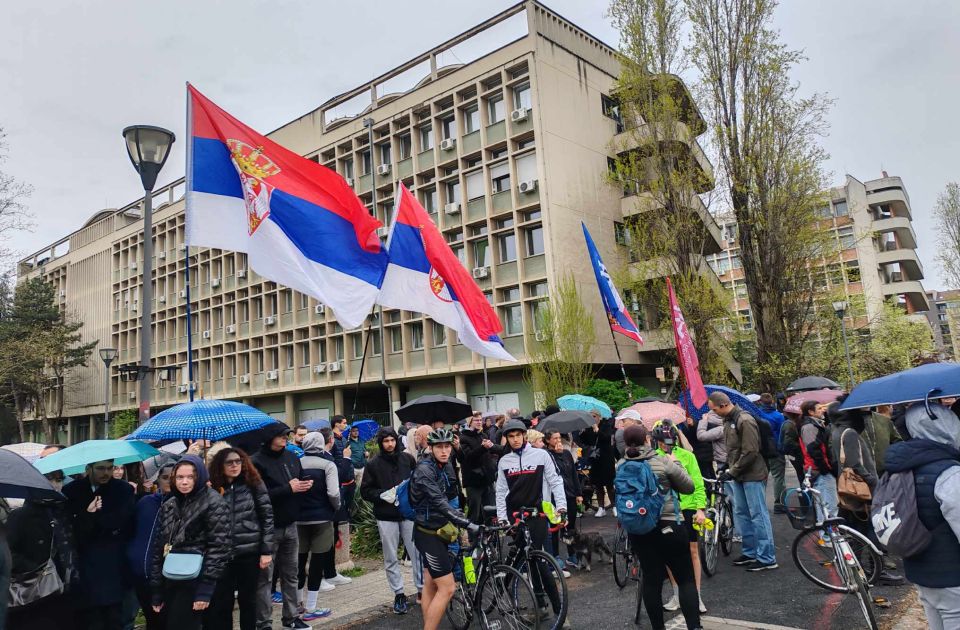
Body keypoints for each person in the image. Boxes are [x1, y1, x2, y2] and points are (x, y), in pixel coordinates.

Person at [617, 424, 701, 630]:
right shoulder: (662, 460)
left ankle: (657, 627)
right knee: (685, 579)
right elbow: (688, 487)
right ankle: (694, 627)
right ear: (647, 439)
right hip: (669, 524)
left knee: (652, 580)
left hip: (640, 529)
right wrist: (677, 464)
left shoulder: (620, 465)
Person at [883, 402, 960, 629]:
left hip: (920, 568)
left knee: (935, 619)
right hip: (953, 573)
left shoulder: (901, 467)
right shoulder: (950, 473)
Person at [496, 419, 568, 625]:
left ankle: (559, 610)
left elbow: (555, 481)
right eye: (511, 436)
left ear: (525, 436)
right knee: (530, 563)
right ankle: (542, 607)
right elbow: (501, 492)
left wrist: (561, 507)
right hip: (515, 518)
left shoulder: (541, 455)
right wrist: (502, 518)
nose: (515, 439)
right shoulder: (504, 461)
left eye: (518, 435)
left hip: (537, 516)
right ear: (507, 439)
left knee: (539, 561)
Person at [149, 456, 230, 630]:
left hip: (197, 577)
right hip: (171, 575)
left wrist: (206, 588)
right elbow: (159, 546)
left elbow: (219, 547)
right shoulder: (170, 504)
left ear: (199, 477)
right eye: (179, 477)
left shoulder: (213, 502)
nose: (184, 482)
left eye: (190, 477)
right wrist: (157, 590)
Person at [409, 428, 478, 630]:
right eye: (439, 446)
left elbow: (451, 494)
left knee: (430, 582)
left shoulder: (443, 465)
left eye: (447, 446)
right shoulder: (424, 470)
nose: (444, 450)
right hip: (428, 534)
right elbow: (439, 501)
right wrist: (467, 523)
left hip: (440, 530)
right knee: (447, 588)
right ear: (430, 448)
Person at [205, 447, 275, 630]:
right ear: (220, 465)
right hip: (222, 554)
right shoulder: (212, 487)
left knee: (248, 601)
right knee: (222, 602)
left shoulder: (253, 483)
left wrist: (266, 550)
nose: (235, 465)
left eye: (238, 461)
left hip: (249, 551)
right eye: (230, 462)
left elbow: (266, 516)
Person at [63, 458, 137, 630]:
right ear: (89, 468)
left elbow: (124, 522)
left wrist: (98, 517)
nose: (106, 473)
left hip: (113, 563)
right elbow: (70, 528)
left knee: (113, 618)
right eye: (101, 468)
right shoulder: (71, 490)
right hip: (84, 563)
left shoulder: (123, 490)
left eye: (110, 468)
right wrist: (88, 515)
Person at [707, 392, 777, 571]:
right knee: (742, 513)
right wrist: (727, 468)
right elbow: (735, 451)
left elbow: (751, 451)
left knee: (758, 514)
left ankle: (767, 557)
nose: (713, 412)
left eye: (714, 409)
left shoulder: (744, 420)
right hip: (738, 474)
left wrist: (732, 470)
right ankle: (751, 552)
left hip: (753, 474)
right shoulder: (728, 420)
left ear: (723, 405)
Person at [252, 423, 313, 630]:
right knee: (265, 579)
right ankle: (263, 624)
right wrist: (288, 488)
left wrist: (304, 484)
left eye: (287, 434)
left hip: (291, 524)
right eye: (281, 435)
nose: (285, 438)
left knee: (291, 574)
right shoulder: (256, 461)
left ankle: (291, 618)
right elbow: (257, 497)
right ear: (270, 438)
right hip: (268, 529)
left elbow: (299, 477)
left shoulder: (292, 456)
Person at [360, 427, 423, 614]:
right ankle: (399, 594)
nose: (390, 444)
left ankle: (421, 589)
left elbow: (418, 480)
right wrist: (382, 495)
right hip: (386, 515)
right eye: (386, 441)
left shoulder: (407, 459)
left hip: (408, 513)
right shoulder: (373, 464)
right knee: (391, 556)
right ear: (381, 442)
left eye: (392, 440)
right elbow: (365, 491)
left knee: (417, 553)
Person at [653, 421, 708, 614]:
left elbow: (699, 484)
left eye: (668, 440)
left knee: (693, 551)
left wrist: (700, 509)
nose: (664, 444)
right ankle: (677, 594)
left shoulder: (687, 456)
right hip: (667, 511)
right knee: (670, 553)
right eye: (661, 441)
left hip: (689, 508)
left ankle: (696, 595)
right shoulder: (653, 458)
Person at [7, 485, 78, 629]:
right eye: (50, 478)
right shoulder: (21, 516)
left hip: (66, 586)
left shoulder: (64, 510)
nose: (55, 484)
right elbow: (9, 553)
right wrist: (35, 568)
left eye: (59, 479)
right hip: (35, 591)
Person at [295, 431, 341, 621]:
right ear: (322, 444)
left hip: (298, 520)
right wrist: (335, 507)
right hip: (322, 519)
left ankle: (297, 605)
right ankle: (312, 607)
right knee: (317, 562)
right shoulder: (328, 465)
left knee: (298, 562)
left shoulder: (296, 464)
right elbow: (333, 493)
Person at [127, 463, 175, 630]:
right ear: (158, 480)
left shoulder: (185, 504)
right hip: (141, 573)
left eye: (173, 477)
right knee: (152, 620)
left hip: (168, 577)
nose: (169, 481)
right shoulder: (145, 502)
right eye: (165, 477)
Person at [544, 428, 582, 567]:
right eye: (555, 438)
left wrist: (578, 493)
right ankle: (556, 556)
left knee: (570, 526)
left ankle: (572, 555)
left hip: (570, 494)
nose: (558, 441)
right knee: (555, 527)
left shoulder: (566, 453)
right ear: (548, 440)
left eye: (559, 438)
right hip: (555, 497)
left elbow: (573, 473)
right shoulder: (546, 455)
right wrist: (556, 455)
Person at [798, 400, 838, 523]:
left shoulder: (816, 424)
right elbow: (813, 450)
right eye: (819, 408)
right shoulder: (809, 427)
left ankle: (826, 535)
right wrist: (825, 468)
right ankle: (828, 536)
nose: (822, 410)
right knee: (828, 505)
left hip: (818, 469)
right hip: (818, 470)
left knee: (824, 504)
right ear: (811, 412)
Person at [458, 413, 498, 529]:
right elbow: (468, 457)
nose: (479, 422)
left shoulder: (483, 434)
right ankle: (473, 537)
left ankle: (491, 536)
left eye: (481, 420)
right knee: (474, 511)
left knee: (490, 510)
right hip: (474, 480)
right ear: (470, 422)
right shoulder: (463, 438)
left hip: (487, 479)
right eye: (476, 420)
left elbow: (488, 456)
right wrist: (482, 448)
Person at [577, 411, 617, 517]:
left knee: (609, 484)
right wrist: (583, 431)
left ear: (599, 417)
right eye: (590, 417)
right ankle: (601, 507)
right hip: (594, 459)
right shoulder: (588, 428)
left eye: (594, 416)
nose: (592, 418)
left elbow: (607, 438)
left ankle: (614, 506)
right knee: (598, 484)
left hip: (606, 458)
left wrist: (597, 429)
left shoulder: (606, 425)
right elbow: (584, 441)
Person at [757, 393, 788, 513]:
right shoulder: (778, 416)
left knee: (761, 477)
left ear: (760, 402)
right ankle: (779, 504)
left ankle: (760, 503)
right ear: (772, 402)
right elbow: (782, 433)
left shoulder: (758, 415)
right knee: (778, 477)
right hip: (775, 449)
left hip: (761, 450)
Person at [866, 404, 902, 476]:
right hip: (860, 476)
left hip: (884, 472)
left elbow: (898, 442)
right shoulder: (847, 424)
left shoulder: (884, 420)